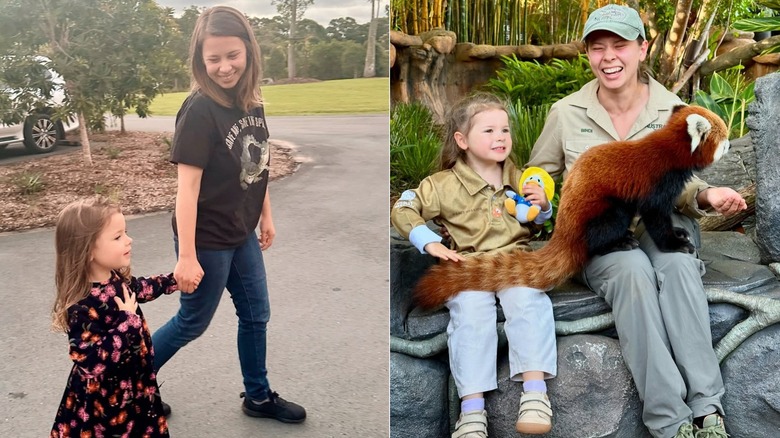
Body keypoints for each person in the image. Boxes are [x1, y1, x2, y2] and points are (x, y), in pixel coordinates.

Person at [526, 4, 746, 438]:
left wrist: (706, 194)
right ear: (587, 54)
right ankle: (670, 421)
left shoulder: (675, 108)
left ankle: (707, 408)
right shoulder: (566, 112)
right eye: (597, 47)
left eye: (620, 45)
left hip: (659, 223)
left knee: (679, 267)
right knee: (632, 274)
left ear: (642, 49)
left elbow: (676, 182)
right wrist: (533, 199)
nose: (608, 57)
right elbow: (540, 175)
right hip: (604, 233)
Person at [150, 5, 306, 423]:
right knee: (191, 323)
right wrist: (186, 255)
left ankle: (257, 397)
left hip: (241, 233)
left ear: (249, 52)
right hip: (206, 240)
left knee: (256, 314)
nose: (224, 67)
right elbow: (187, 190)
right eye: (213, 58)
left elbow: (258, 167)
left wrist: (266, 216)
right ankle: (129, 385)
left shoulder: (251, 101)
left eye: (232, 55)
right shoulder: (200, 110)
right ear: (201, 61)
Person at [391, 92, 557, 437]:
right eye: (489, 131)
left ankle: (536, 394)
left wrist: (542, 207)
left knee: (527, 301)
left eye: (505, 130)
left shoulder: (520, 176)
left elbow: (535, 223)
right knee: (470, 314)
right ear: (462, 140)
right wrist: (429, 241)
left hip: (516, 263)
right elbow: (403, 208)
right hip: (469, 267)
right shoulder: (441, 185)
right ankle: (472, 410)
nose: (501, 138)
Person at [50, 196, 180, 437]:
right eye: (118, 237)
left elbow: (140, 288)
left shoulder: (114, 278)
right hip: (108, 404)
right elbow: (88, 362)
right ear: (87, 249)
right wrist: (128, 324)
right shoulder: (81, 304)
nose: (129, 240)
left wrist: (173, 281)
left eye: (126, 232)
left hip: (136, 384)